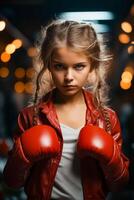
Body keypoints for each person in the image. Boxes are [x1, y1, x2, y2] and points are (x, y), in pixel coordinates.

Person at [3, 20, 129, 200]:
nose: (69, 77)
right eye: (60, 66)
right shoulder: (30, 117)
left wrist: (111, 158)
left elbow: (119, 184)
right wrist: (21, 156)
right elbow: (13, 182)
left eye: (79, 66)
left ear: (92, 66)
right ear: (48, 66)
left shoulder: (107, 119)